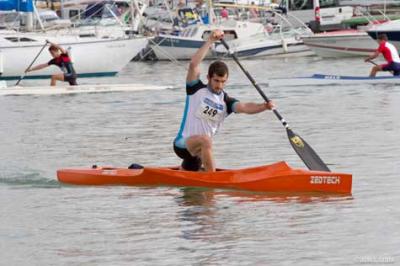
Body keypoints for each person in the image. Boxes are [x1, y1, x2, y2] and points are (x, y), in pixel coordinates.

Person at [173, 30, 275, 172]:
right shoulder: (195, 88)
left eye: (223, 81)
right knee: (206, 140)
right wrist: (210, 41)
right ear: (208, 77)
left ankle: (182, 173)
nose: (219, 85)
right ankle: (213, 184)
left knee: (192, 175)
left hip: (197, 154)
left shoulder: (226, 102)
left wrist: (264, 106)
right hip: (183, 144)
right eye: (216, 81)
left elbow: (245, 107)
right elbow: (193, 65)